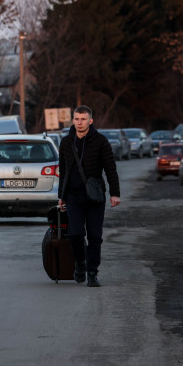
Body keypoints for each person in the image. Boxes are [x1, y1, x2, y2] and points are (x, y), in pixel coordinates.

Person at [58, 105, 120, 287]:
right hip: (73, 196)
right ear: (73, 120)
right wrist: (61, 196)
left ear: (90, 121)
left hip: (95, 197)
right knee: (75, 234)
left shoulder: (100, 141)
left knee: (94, 236)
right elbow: (63, 171)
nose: (79, 122)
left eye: (83, 119)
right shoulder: (66, 142)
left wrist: (115, 193)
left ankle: (92, 273)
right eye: (76, 119)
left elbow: (111, 169)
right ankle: (80, 263)